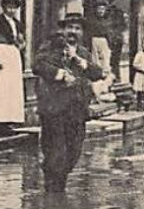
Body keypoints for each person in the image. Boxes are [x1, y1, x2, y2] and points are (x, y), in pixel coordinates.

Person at [34, 12, 103, 193]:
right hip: (54, 110)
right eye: (69, 27)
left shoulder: (83, 53)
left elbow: (97, 73)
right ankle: (53, 198)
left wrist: (80, 61)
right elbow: (37, 65)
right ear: (63, 30)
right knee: (56, 153)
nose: (73, 31)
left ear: (82, 33)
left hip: (77, 111)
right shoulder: (51, 47)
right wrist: (60, 74)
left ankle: (56, 185)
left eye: (77, 28)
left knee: (73, 154)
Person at [0, 0, 27, 131]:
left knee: (11, 88)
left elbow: (21, 41)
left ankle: (11, 118)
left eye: (14, 7)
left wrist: (21, 45)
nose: (12, 10)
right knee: (0, 87)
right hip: (1, 54)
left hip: (13, 56)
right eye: (9, 7)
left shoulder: (17, 24)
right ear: (4, 7)